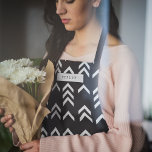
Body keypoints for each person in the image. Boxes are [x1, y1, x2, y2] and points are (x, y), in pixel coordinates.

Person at [0, 0, 146, 151]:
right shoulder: (53, 53)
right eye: (57, 1)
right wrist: (21, 124)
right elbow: (42, 129)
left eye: (69, 0)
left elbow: (124, 142)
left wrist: (51, 147)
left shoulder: (121, 57)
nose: (59, 10)